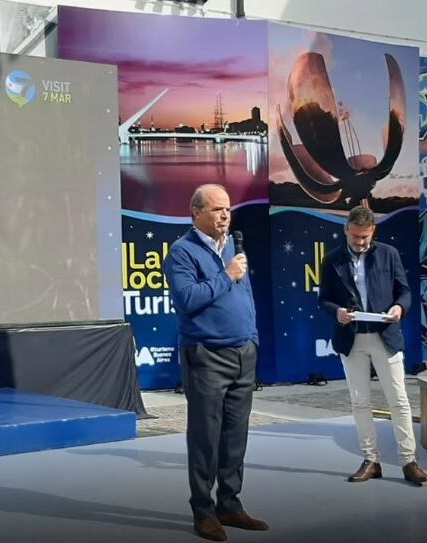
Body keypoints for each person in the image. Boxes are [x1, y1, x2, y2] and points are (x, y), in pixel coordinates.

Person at [164, 184, 268, 541]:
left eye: (227, 209)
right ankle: (203, 512)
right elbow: (188, 299)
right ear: (196, 213)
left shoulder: (233, 249)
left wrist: (251, 335)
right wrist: (228, 275)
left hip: (243, 353)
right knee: (205, 438)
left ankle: (230, 505)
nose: (225, 215)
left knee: (235, 436)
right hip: (206, 356)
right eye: (216, 209)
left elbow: (243, 296)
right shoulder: (182, 252)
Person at [318, 206, 427, 486]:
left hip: (386, 336)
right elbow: (324, 299)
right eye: (356, 237)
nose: (360, 242)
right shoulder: (332, 259)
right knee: (360, 402)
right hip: (351, 338)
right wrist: (337, 313)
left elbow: (404, 291)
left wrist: (398, 308)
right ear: (346, 229)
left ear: (373, 232)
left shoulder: (388, 254)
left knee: (399, 401)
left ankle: (409, 461)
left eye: (365, 237)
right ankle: (371, 460)